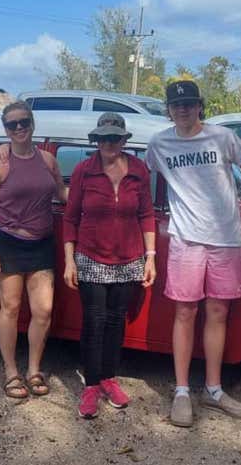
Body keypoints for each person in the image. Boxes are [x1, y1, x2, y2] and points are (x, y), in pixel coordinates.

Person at [145, 80, 241, 427]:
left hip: (226, 237)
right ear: (168, 109)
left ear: (199, 106)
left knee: (218, 312)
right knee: (185, 312)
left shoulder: (222, 137)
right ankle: (182, 391)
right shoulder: (159, 143)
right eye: (177, 105)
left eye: (189, 104)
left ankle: (213, 389)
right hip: (185, 237)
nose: (183, 110)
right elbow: (139, 178)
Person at [62, 112, 157, 419]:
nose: (109, 144)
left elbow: (146, 214)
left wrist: (151, 256)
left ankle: (109, 377)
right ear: (97, 140)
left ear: (123, 140)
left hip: (129, 257)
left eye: (115, 138)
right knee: (95, 319)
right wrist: (69, 260)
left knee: (116, 320)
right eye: (103, 138)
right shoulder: (84, 171)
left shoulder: (138, 170)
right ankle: (91, 384)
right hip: (91, 255)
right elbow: (70, 218)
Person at [0, 101, 68, 399]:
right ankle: (10, 371)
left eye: (24, 122)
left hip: (42, 242)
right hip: (8, 242)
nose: (19, 128)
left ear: (32, 124)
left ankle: (33, 369)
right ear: (6, 129)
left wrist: (97, 194)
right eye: (12, 124)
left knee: (43, 310)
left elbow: (62, 193)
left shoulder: (48, 160)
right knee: (11, 307)